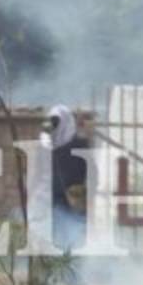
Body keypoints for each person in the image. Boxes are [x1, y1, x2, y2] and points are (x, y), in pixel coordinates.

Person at [41, 104, 89, 251]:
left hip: (72, 197)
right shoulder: (47, 145)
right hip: (54, 199)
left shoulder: (79, 145)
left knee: (72, 235)